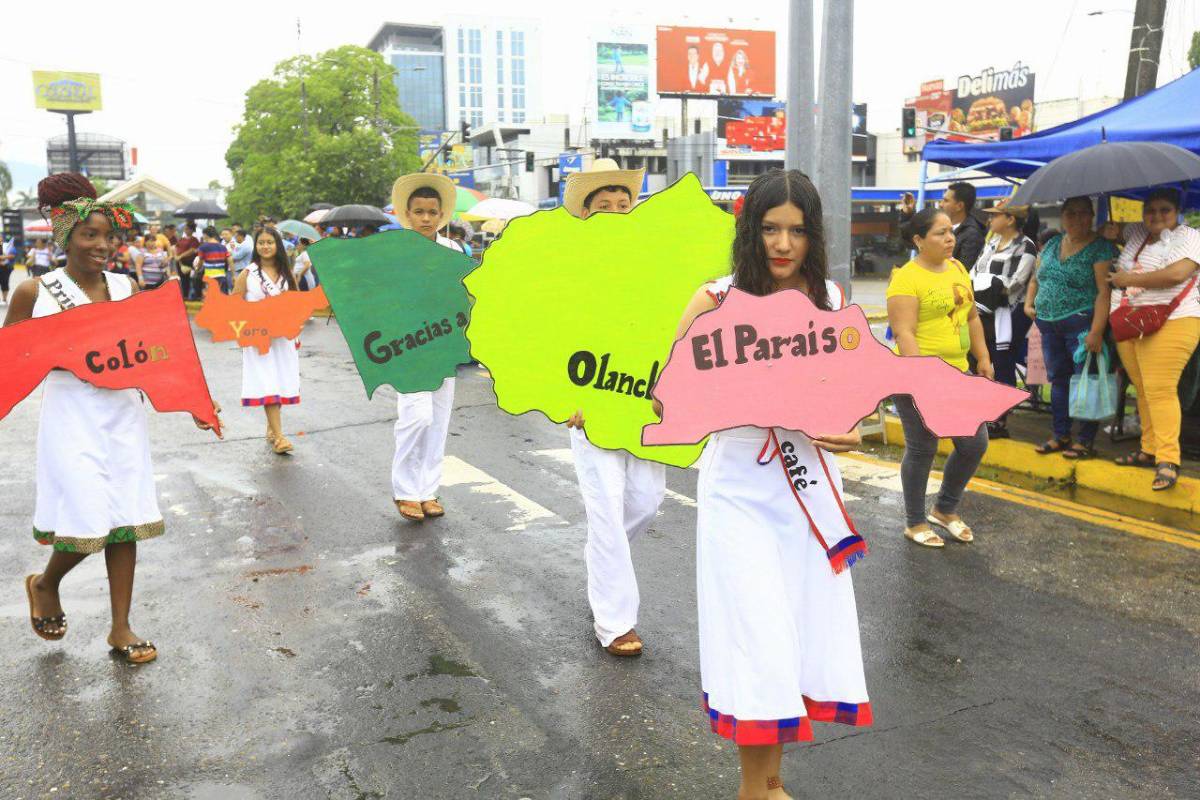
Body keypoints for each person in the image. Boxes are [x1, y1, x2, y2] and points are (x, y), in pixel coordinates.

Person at [667, 169, 868, 800]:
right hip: (739, 487)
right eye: (770, 228)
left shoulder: (832, 300)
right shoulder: (714, 300)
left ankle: (770, 783)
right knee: (758, 630)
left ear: (814, 237)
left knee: (798, 629)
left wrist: (853, 426)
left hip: (807, 489)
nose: (783, 243)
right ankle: (758, 789)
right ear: (749, 231)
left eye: (797, 231)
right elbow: (670, 392)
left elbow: (855, 390)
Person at [4, 172, 219, 664]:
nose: (102, 245)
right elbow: (9, 363)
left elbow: (156, 355)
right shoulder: (35, 292)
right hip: (71, 416)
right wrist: (63, 352)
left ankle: (120, 627)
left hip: (123, 415)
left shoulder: (125, 286)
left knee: (125, 518)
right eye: (89, 235)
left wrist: (196, 403)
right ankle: (46, 582)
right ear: (64, 235)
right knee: (87, 516)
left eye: (108, 236)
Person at [559, 158, 664, 658]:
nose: (619, 212)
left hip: (643, 404)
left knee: (646, 501)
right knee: (605, 509)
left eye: (625, 204)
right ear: (586, 212)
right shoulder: (568, 267)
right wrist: (563, 397)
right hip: (591, 403)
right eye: (606, 206)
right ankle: (615, 622)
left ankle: (603, 565)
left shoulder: (652, 263)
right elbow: (547, 339)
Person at [887, 206, 993, 547]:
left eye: (951, 231)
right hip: (919, 376)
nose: (950, 239)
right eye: (940, 233)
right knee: (923, 448)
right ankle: (915, 521)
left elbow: (972, 316)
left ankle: (944, 509)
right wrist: (922, 380)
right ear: (918, 240)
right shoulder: (906, 278)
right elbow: (904, 332)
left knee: (974, 442)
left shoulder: (958, 268)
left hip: (957, 374)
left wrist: (983, 358)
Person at [1107, 188, 1200, 491]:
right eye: (1150, 210)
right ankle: (1149, 450)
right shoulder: (1137, 233)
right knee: (1144, 389)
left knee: (1160, 389)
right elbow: (1111, 229)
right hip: (1132, 322)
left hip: (1175, 319)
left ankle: (1168, 460)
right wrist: (1110, 229)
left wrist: (1128, 280)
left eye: (1165, 210)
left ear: (1177, 212)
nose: (1157, 216)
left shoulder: (1190, 237)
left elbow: (1177, 274)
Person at [389, 172, 463, 521]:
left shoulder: (454, 250)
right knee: (416, 416)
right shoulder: (395, 251)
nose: (426, 219)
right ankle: (405, 491)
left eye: (432, 212)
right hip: (408, 347)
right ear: (407, 213)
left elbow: (465, 294)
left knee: (438, 419)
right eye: (419, 212)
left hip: (443, 346)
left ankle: (428, 491)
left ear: (441, 215)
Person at [1023, 197, 1118, 459]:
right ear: (1063, 216)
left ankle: (1085, 440)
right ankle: (1060, 435)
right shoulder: (1052, 243)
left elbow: (1103, 293)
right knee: (1058, 380)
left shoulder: (1100, 248)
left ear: (1091, 216)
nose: (1077, 219)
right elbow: (1036, 277)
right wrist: (1029, 302)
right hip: (1048, 323)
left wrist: (1097, 331)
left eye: (1083, 213)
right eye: (1071, 213)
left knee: (1086, 379)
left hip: (1081, 323)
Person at [232, 227, 301, 454]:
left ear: (277, 245)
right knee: (268, 382)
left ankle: (272, 428)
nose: (265, 246)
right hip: (259, 339)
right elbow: (234, 303)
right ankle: (280, 438)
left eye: (270, 242)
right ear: (256, 246)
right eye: (261, 242)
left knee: (279, 380)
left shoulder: (286, 274)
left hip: (282, 339)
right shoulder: (248, 274)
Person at [971, 199, 1037, 438]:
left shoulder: (1026, 246)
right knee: (982, 359)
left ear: (1010, 219)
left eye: (995, 215)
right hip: (983, 311)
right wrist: (985, 285)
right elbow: (976, 271)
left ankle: (999, 420)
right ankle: (983, 413)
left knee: (1003, 362)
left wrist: (988, 285)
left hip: (1009, 313)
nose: (990, 220)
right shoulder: (992, 243)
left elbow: (1014, 283)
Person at [940, 182, 987, 269]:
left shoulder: (972, 235)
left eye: (946, 201)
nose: (941, 204)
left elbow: (963, 270)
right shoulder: (941, 226)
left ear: (959, 206)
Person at [197, 225, 232, 296]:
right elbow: (230, 260)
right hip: (222, 276)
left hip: (210, 276)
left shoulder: (203, 247)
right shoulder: (223, 247)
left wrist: (197, 269)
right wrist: (234, 275)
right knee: (222, 297)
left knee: (211, 297)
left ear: (206, 235)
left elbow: (200, 261)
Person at [174, 222, 201, 299]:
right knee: (183, 279)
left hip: (189, 262)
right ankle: (184, 295)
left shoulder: (194, 240)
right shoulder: (181, 239)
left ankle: (190, 295)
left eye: (187, 229)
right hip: (180, 262)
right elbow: (176, 247)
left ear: (191, 230)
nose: (185, 230)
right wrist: (176, 256)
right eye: (185, 229)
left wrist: (180, 256)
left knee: (189, 279)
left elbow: (192, 250)